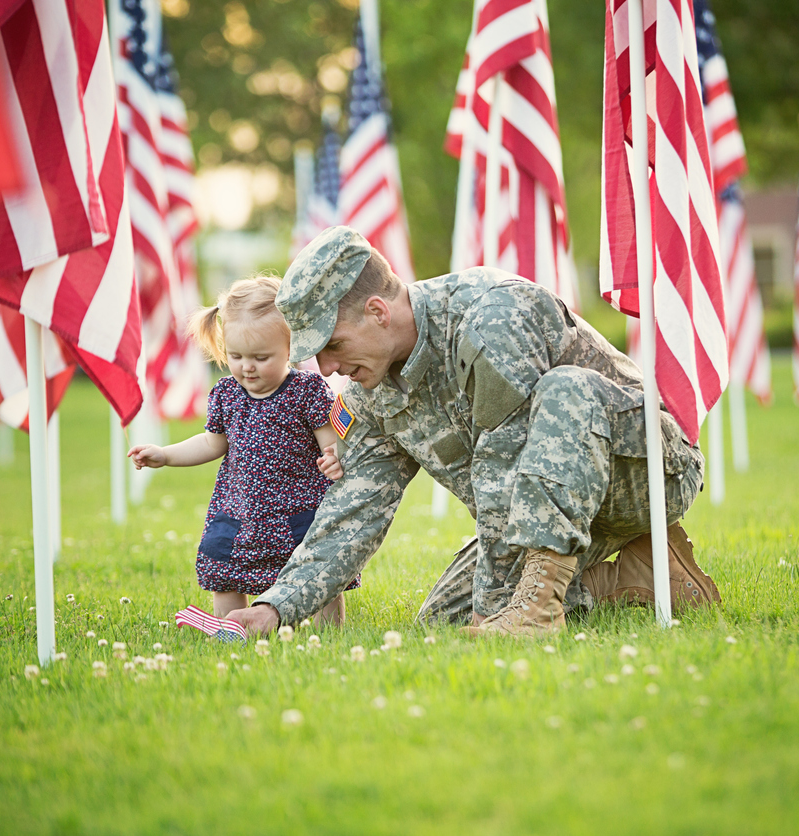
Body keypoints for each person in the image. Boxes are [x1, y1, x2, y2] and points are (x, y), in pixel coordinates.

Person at [228, 226, 720, 638]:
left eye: (333, 345)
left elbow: (504, 465)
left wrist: (496, 608)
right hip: (548, 506)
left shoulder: (490, 317)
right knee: (441, 621)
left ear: (378, 312)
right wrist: (275, 607)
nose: (329, 368)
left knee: (565, 389)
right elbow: (352, 508)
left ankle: (539, 610)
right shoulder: (370, 393)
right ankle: (633, 575)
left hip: (647, 473)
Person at [127, 276, 354, 628]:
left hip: (297, 508)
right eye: (236, 356)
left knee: (314, 566)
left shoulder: (306, 390)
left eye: (261, 357)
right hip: (241, 509)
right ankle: (230, 627)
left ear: (290, 348)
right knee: (226, 565)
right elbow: (211, 443)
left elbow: (330, 438)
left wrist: (332, 456)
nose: (247, 366)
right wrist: (165, 454)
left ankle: (329, 631)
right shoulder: (227, 393)